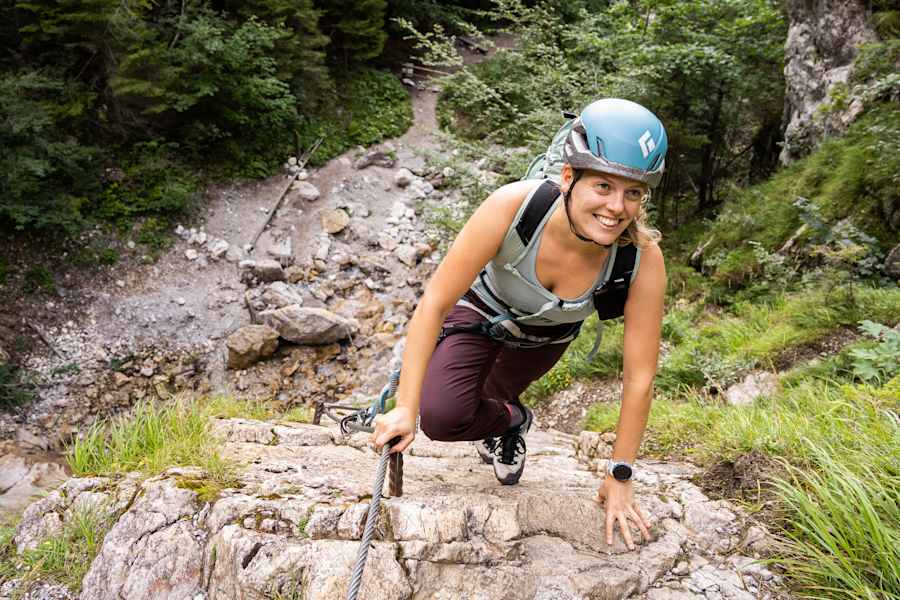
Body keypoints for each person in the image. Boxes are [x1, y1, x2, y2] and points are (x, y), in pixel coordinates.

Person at [370, 98, 668, 550]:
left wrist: (620, 473)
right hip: (479, 312)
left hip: (545, 338)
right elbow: (434, 302)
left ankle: (507, 420)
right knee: (443, 416)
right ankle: (512, 420)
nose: (616, 207)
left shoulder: (641, 258)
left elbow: (640, 376)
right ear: (569, 177)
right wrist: (405, 407)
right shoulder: (515, 206)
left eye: (633, 193)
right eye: (603, 186)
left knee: (488, 399)